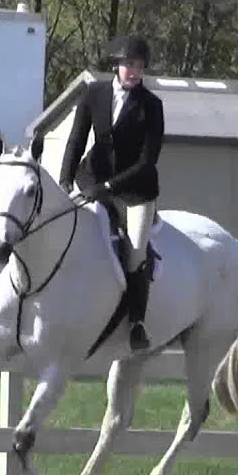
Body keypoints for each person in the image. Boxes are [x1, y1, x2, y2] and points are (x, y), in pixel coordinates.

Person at [58, 35, 164, 353]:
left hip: (135, 190)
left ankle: (136, 322)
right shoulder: (94, 93)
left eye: (139, 66)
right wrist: (65, 181)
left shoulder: (152, 106)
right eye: (128, 64)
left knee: (134, 252)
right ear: (116, 65)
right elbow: (76, 140)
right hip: (90, 179)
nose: (133, 71)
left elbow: (148, 161)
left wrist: (108, 188)